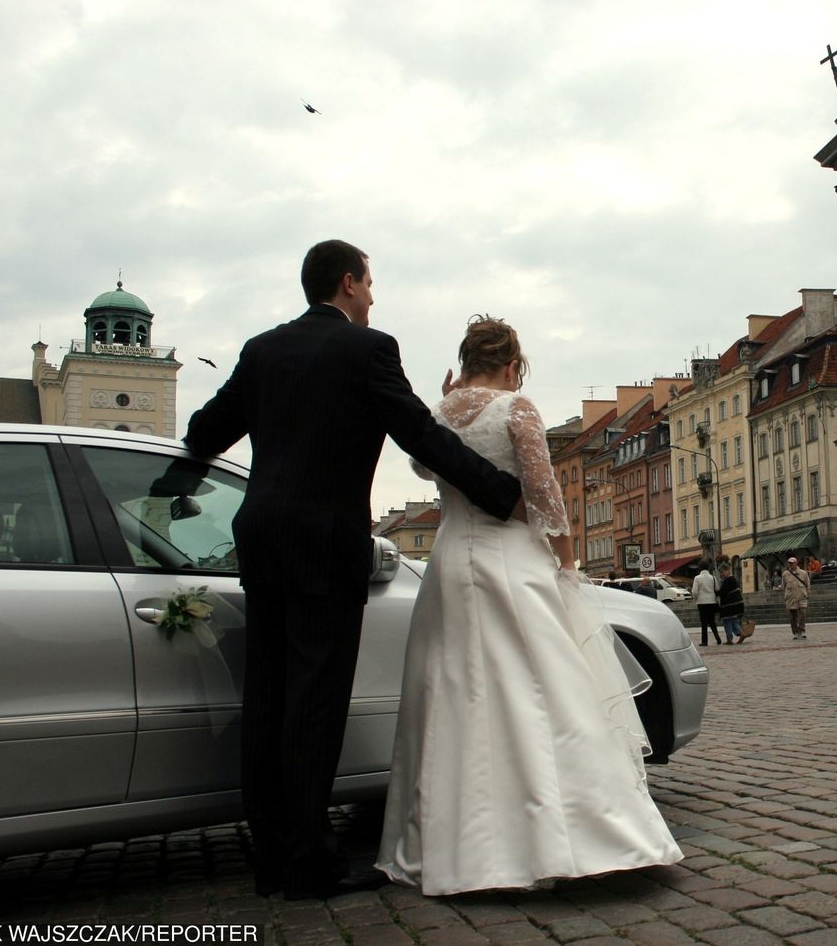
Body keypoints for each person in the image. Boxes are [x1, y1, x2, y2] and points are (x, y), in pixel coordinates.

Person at [183, 240, 525, 901]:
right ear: (347, 283)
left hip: (260, 536)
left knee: (268, 700)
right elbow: (421, 438)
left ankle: (273, 859)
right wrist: (502, 494)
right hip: (323, 545)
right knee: (314, 703)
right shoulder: (367, 350)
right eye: (369, 284)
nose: (373, 296)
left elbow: (204, 433)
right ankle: (310, 863)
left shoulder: (261, 350)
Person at [376, 316, 682, 896]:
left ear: (465, 361)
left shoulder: (439, 414)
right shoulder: (516, 408)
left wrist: (446, 404)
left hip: (448, 564)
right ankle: (564, 836)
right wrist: (567, 564)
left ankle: (452, 843)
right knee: (541, 690)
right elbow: (546, 497)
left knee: (452, 692)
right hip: (510, 559)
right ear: (512, 364)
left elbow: (423, 467)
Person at [691, 562, 720, 647]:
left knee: (704, 622)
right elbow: (717, 588)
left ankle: (704, 641)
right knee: (712, 621)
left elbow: (694, 591)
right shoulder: (713, 578)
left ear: (700, 568)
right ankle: (717, 638)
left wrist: (696, 599)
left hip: (701, 602)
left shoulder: (697, 578)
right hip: (712, 602)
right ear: (708, 568)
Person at [782, 556, 811, 640]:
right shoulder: (785, 574)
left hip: (802, 597)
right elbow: (784, 587)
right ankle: (795, 632)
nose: (791, 564)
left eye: (792, 563)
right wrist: (786, 595)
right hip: (791, 598)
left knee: (803, 613)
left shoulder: (803, 573)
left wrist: (807, 594)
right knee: (793, 616)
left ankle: (801, 630)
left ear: (796, 563)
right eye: (789, 563)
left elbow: (807, 584)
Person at [716, 563, 745, 644]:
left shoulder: (728, 580)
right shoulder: (733, 579)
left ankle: (730, 639)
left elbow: (723, 592)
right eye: (720, 573)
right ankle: (740, 633)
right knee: (734, 621)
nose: (721, 574)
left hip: (729, 607)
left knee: (727, 622)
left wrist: (715, 593)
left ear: (728, 570)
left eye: (722, 572)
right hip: (735, 605)